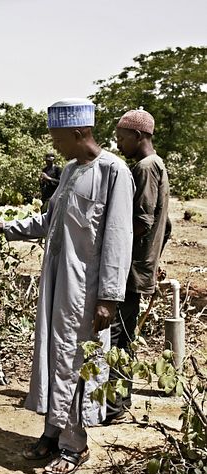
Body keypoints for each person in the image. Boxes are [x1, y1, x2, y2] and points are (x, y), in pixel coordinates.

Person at [0, 98, 134, 474]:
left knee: (77, 362)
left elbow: (118, 237)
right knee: (53, 356)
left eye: (57, 137)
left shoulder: (114, 172)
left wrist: (108, 298)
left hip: (86, 291)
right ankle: (51, 432)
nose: (54, 145)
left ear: (79, 132)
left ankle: (73, 446)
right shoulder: (68, 170)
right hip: (56, 283)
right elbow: (50, 219)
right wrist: (7, 229)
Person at [104, 109, 171, 424]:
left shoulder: (144, 168)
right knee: (125, 336)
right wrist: (154, 259)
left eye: (121, 136)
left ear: (138, 135)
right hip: (141, 267)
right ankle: (120, 402)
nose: (118, 143)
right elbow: (165, 225)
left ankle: (114, 407)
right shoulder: (158, 165)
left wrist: (110, 247)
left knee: (115, 335)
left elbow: (142, 223)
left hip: (129, 271)